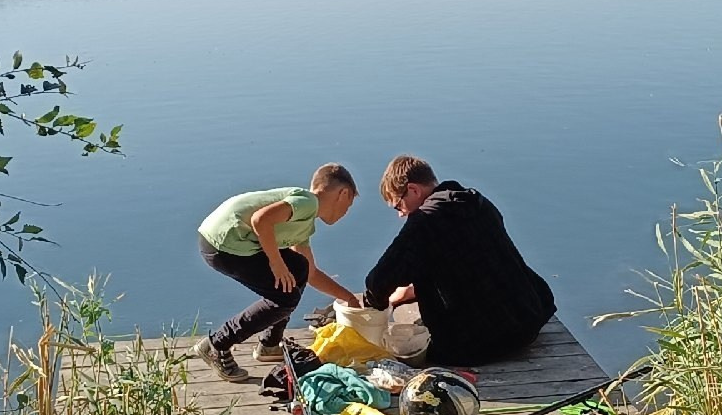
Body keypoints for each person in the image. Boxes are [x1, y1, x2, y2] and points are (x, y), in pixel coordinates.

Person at [359, 155, 556, 366]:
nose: (401, 214)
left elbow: (377, 282)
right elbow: (466, 265)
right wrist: (412, 290)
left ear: (414, 190)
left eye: (399, 205)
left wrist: (373, 305)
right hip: (528, 323)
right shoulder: (477, 203)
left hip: (477, 347)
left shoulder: (425, 221)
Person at [195, 164, 362, 379]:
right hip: (224, 244)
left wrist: (347, 297)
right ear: (343, 193)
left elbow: (309, 273)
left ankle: (270, 344)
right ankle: (216, 343)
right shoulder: (308, 202)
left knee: (298, 269)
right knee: (285, 296)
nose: (345, 213)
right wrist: (276, 262)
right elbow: (260, 220)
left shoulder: (304, 223)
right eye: (348, 206)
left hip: (228, 242)